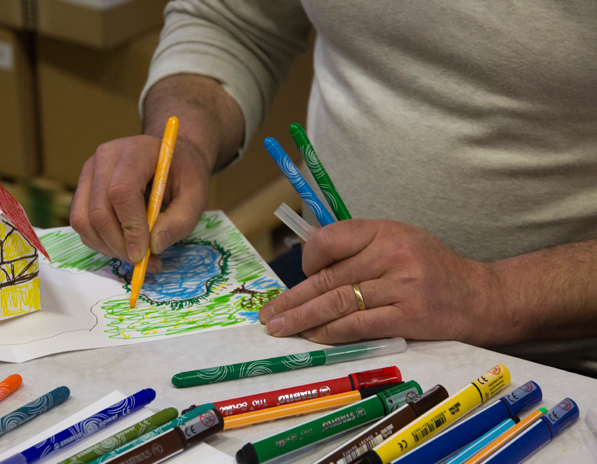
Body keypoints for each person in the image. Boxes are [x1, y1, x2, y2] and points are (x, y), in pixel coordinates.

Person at [70, 1, 597, 375]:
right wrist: (180, 139)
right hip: (324, 289)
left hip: (560, 353)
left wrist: (493, 293)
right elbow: (232, 20)